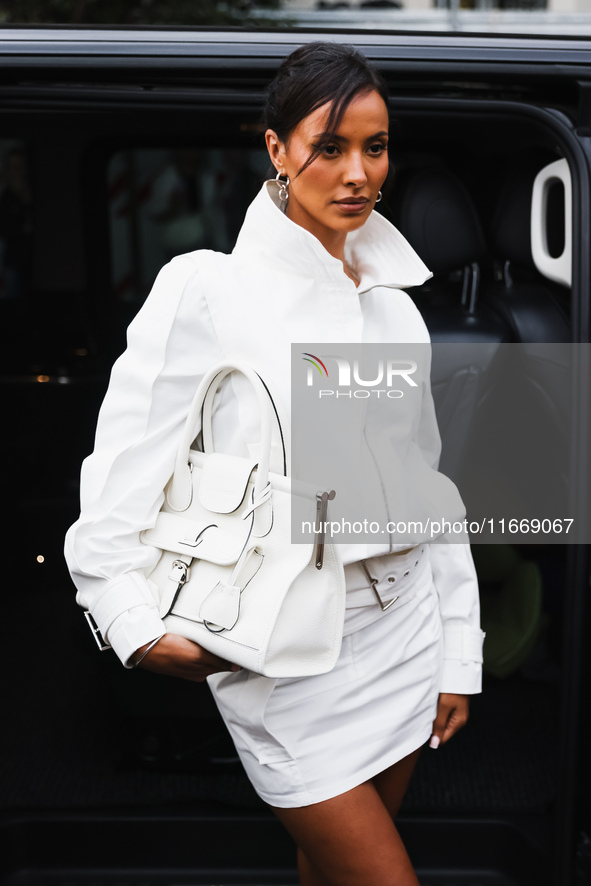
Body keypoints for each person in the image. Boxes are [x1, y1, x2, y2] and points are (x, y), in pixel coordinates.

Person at [65, 42, 485, 886]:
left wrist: (455, 651)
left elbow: (428, 492)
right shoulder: (207, 290)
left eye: (376, 146)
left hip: (400, 633)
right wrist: (132, 624)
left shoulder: (395, 309)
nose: (358, 171)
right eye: (329, 147)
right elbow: (121, 476)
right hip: (281, 653)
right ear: (276, 150)